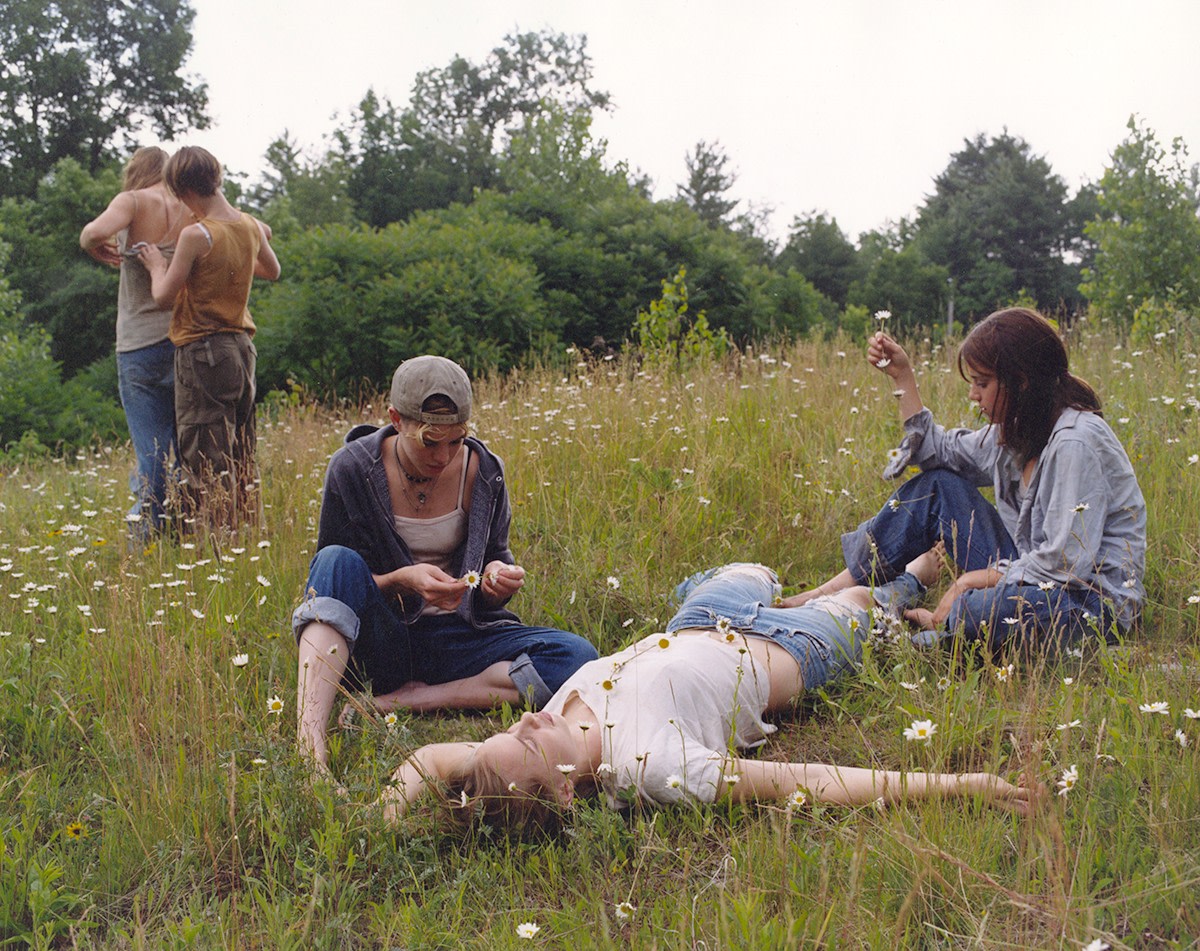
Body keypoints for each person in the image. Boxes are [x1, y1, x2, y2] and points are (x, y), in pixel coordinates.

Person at [374, 557, 1038, 831]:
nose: (525, 722)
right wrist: (960, 784)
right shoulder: (652, 765)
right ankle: (899, 586)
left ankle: (840, 587)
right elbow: (802, 779)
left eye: (511, 728)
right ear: (568, 790)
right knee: (868, 602)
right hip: (792, 648)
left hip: (702, 621)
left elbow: (433, 759)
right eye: (527, 740)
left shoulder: (531, 741)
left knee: (745, 569)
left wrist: (375, 816)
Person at [292, 355, 599, 774]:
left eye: (456, 441)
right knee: (333, 560)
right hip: (382, 640)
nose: (443, 456)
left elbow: (496, 552)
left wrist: (495, 576)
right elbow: (331, 585)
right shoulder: (352, 469)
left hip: (459, 635)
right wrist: (403, 581)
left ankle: (411, 699)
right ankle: (310, 750)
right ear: (396, 419)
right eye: (430, 441)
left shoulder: (485, 471)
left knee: (576, 656)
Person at [785, 307, 1146, 650]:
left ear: (1020, 383)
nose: (974, 395)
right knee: (936, 487)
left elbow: (1065, 565)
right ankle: (828, 595)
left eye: (982, 383)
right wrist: (903, 377)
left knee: (980, 611)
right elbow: (936, 452)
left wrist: (967, 582)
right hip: (1030, 573)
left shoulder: (1074, 442)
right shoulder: (1017, 431)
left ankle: (928, 631)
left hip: (1087, 603)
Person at [139, 146, 280, 532]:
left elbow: (164, 296)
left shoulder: (196, 235)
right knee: (241, 452)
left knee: (205, 459)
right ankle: (249, 537)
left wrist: (156, 265)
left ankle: (215, 550)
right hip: (241, 350)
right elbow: (273, 269)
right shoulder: (249, 225)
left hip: (202, 352)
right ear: (216, 177)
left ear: (182, 189)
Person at [79, 147, 187, 541]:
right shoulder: (188, 205)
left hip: (139, 347)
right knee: (186, 451)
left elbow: (91, 232)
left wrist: (96, 245)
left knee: (151, 452)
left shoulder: (133, 201)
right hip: (185, 343)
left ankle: (146, 537)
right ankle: (183, 533)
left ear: (136, 172)